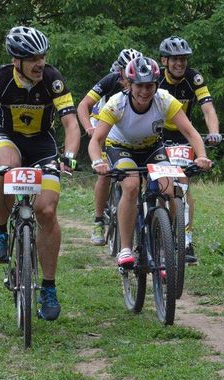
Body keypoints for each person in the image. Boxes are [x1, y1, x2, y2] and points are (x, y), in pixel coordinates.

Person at [0, 26, 81, 320]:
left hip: (43, 145)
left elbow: (71, 124)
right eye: (33, 58)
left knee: (46, 211)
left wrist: (69, 156)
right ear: (16, 61)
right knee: (4, 167)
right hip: (8, 138)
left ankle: (48, 287)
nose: (40, 63)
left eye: (42, 56)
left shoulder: (53, 80)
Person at [88, 56, 212, 267]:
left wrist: (201, 156)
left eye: (150, 86)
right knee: (131, 185)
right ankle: (126, 248)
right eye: (140, 86)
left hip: (152, 147)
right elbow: (97, 140)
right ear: (129, 84)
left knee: (169, 187)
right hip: (121, 148)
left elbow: (190, 131)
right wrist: (97, 162)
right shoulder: (117, 103)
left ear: (157, 84)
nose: (145, 91)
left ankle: (166, 240)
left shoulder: (164, 99)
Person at [158, 35, 222, 265]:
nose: (180, 64)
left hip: (184, 135)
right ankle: (156, 230)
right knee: (161, 185)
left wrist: (213, 131)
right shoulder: (156, 78)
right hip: (158, 134)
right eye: (175, 60)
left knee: (183, 186)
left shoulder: (193, 78)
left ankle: (186, 241)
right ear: (165, 61)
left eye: (183, 59)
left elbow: (207, 109)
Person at [77, 48, 142, 245]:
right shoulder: (111, 80)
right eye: (128, 69)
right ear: (120, 70)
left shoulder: (144, 84)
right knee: (104, 172)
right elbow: (84, 105)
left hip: (127, 127)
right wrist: (89, 126)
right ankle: (98, 220)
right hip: (104, 122)